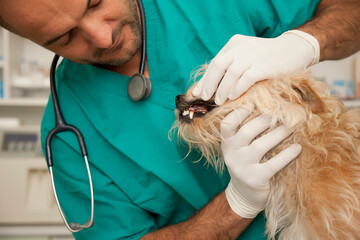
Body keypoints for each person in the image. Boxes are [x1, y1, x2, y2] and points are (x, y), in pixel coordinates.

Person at [0, 0, 359, 239]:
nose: (102, 35)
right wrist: (237, 204)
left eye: (96, 1)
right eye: (65, 37)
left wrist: (306, 41)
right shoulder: (69, 136)